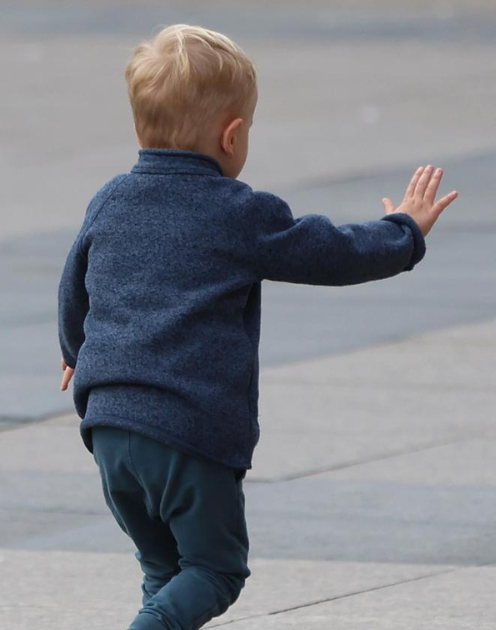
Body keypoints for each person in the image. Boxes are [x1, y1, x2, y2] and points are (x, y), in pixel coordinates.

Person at [56, 24, 457, 630]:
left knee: (166, 572)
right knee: (216, 571)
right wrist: (404, 231)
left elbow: (75, 278)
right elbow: (332, 253)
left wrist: (73, 349)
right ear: (232, 135)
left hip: (108, 426)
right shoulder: (238, 212)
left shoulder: (111, 198)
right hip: (188, 431)